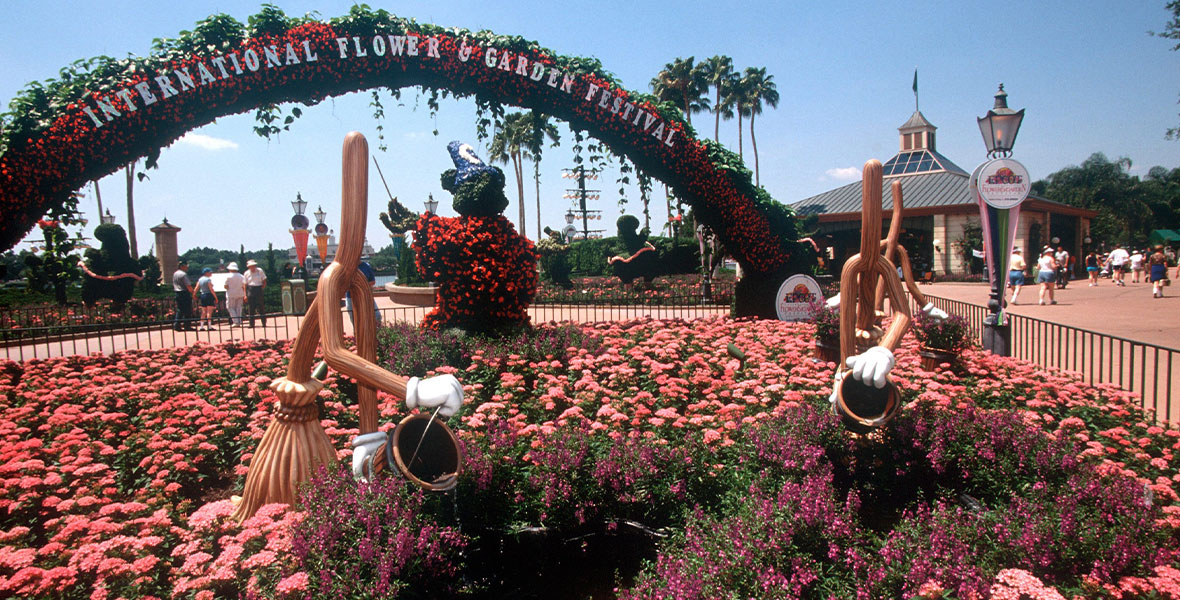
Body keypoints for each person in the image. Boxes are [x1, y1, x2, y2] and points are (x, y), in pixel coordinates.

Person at [172, 259, 195, 331]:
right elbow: (188, 285)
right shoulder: (183, 274)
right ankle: (187, 326)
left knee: (180, 310)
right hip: (184, 293)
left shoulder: (175, 273)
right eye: (186, 266)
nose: (187, 268)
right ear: (182, 266)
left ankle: (177, 325)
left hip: (177, 293)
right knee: (188, 310)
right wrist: (193, 293)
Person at [244, 259, 267, 328]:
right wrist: (245, 294)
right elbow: (245, 284)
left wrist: (262, 288)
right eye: (251, 266)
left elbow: (264, 280)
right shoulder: (246, 273)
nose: (253, 267)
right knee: (251, 308)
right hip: (251, 289)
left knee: (261, 307)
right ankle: (251, 324)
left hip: (258, 287)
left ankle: (263, 322)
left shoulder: (260, 271)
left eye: (253, 266)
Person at [225, 262, 246, 327]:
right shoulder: (242, 276)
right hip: (240, 293)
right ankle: (239, 321)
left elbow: (226, 286)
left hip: (231, 294)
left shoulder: (228, 276)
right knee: (239, 307)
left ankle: (235, 321)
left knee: (230, 307)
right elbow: (244, 285)